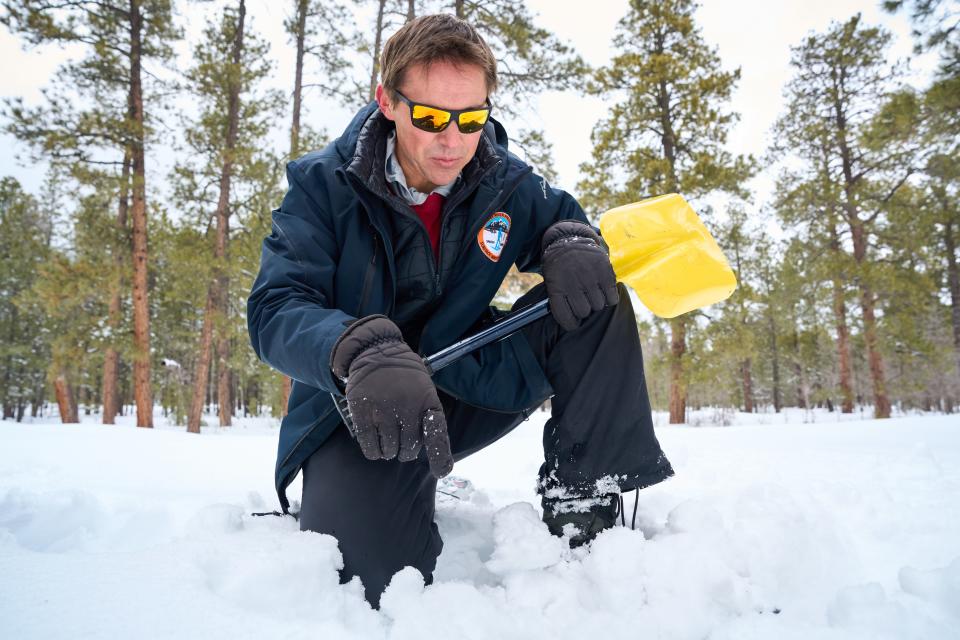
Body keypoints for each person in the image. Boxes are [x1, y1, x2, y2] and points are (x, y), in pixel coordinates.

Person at [247, 14, 673, 607]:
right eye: (430, 117)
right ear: (388, 102)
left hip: (465, 377)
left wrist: (572, 240)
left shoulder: (504, 180)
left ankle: (585, 501)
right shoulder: (323, 187)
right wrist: (355, 349)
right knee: (371, 579)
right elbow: (275, 308)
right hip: (364, 402)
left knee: (595, 298)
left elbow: (561, 217)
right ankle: (401, 485)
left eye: (472, 119)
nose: (453, 141)